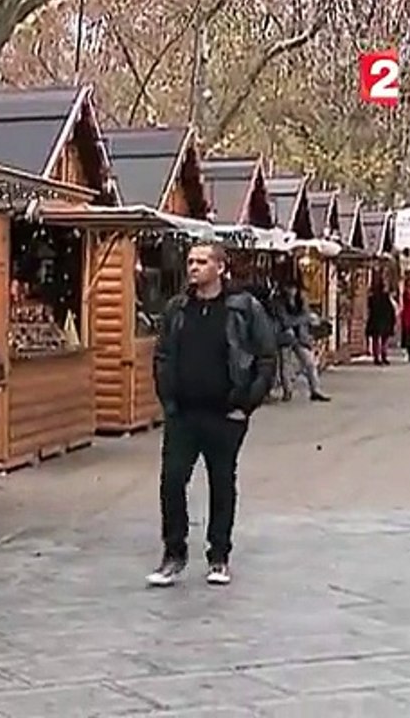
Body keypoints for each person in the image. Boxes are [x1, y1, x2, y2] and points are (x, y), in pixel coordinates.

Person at [148, 240, 278, 587]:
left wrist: (246, 402)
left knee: (222, 483)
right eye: (190, 261)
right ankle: (173, 553)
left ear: (220, 267)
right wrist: (168, 398)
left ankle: (218, 555)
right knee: (172, 481)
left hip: (225, 414)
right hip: (184, 413)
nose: (193, 267)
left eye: (202, 262)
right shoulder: (178, 309)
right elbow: (162, 356)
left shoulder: (243, 307)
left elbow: (266, 356)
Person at [273, 283, 331, 402]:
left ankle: (315, 390)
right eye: (289, 288)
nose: (291, 291)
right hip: (286, 337)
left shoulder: (301, 302)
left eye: (293, 288)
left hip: (300, 338)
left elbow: (306, 318)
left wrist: (305, 323)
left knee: (309, 363)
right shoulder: (280, 303)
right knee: (286, 366)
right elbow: (286, 322)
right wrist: (302, 319)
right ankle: (287, 391)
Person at [366, 275, 397, 366]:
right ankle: (383, 356)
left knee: (377, 339)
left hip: (376, 320)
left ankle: (377, 357)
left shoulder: (372, 297)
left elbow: (370, 308)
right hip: (384, 320)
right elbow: (390, 309)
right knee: (383, 339)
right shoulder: (385, 297)